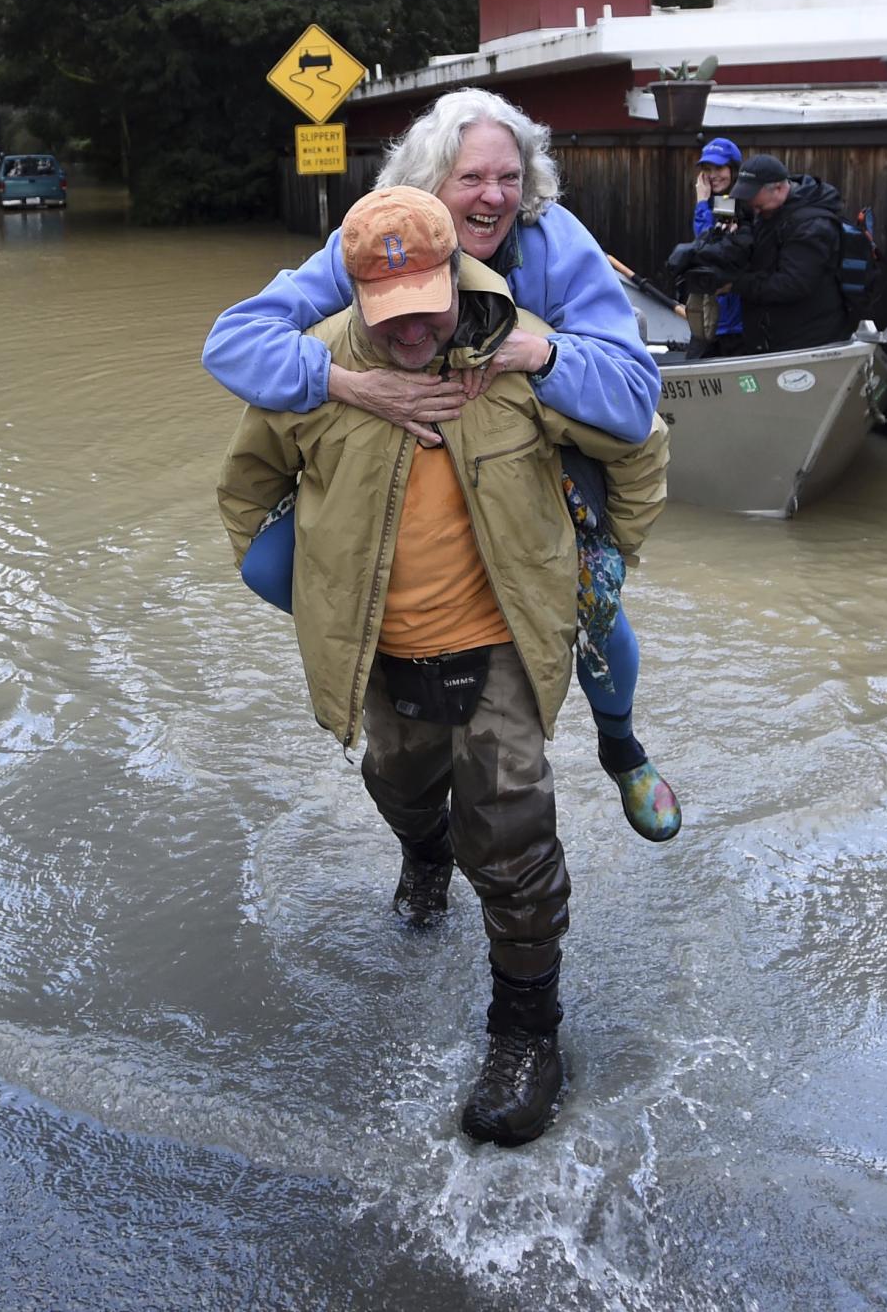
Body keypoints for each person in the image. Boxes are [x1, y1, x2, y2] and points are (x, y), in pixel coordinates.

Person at [216, 186, 668, 1146]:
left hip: (499, 642)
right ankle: (424, 856)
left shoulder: (520, 352)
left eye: (428, 305)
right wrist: (315, 592)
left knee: (511, 834)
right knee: (400, 781)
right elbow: (246, 488)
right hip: (384, 649)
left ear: (455, 275)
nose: (412, 330)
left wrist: (604, 559)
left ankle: (526, 1034)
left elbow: (638, 442)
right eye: (389, 315)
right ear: (355, 293)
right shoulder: (322, 367)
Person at [203, 89, 679, 844]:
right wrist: (349, 383)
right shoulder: (380, 238)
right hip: (409, 460)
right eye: (471, 179)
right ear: (429, 182)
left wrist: (544, 352)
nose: (493, 196)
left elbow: (635, 396)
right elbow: (232, 342)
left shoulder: (553, 242)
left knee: (592, 603)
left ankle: (620, 745)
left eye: (510, 177)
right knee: (273, 566)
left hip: (535, 456)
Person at [669, 152, 847, 354]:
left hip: (808, 340)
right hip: (771, 333)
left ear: (778, 189)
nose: (754, 208)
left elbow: (792, 284)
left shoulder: (812, 226)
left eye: (757, 203)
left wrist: (735, 285)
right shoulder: (770, 210)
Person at [689, 137, 746, 357]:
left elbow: (708, 245)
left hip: (733, 318)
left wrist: (701, 203)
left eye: (719, 168)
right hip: (714, 313)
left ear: (733, 169)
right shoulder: (718, 202)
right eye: (707, 169)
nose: (713, 175)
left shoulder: (732, 203)